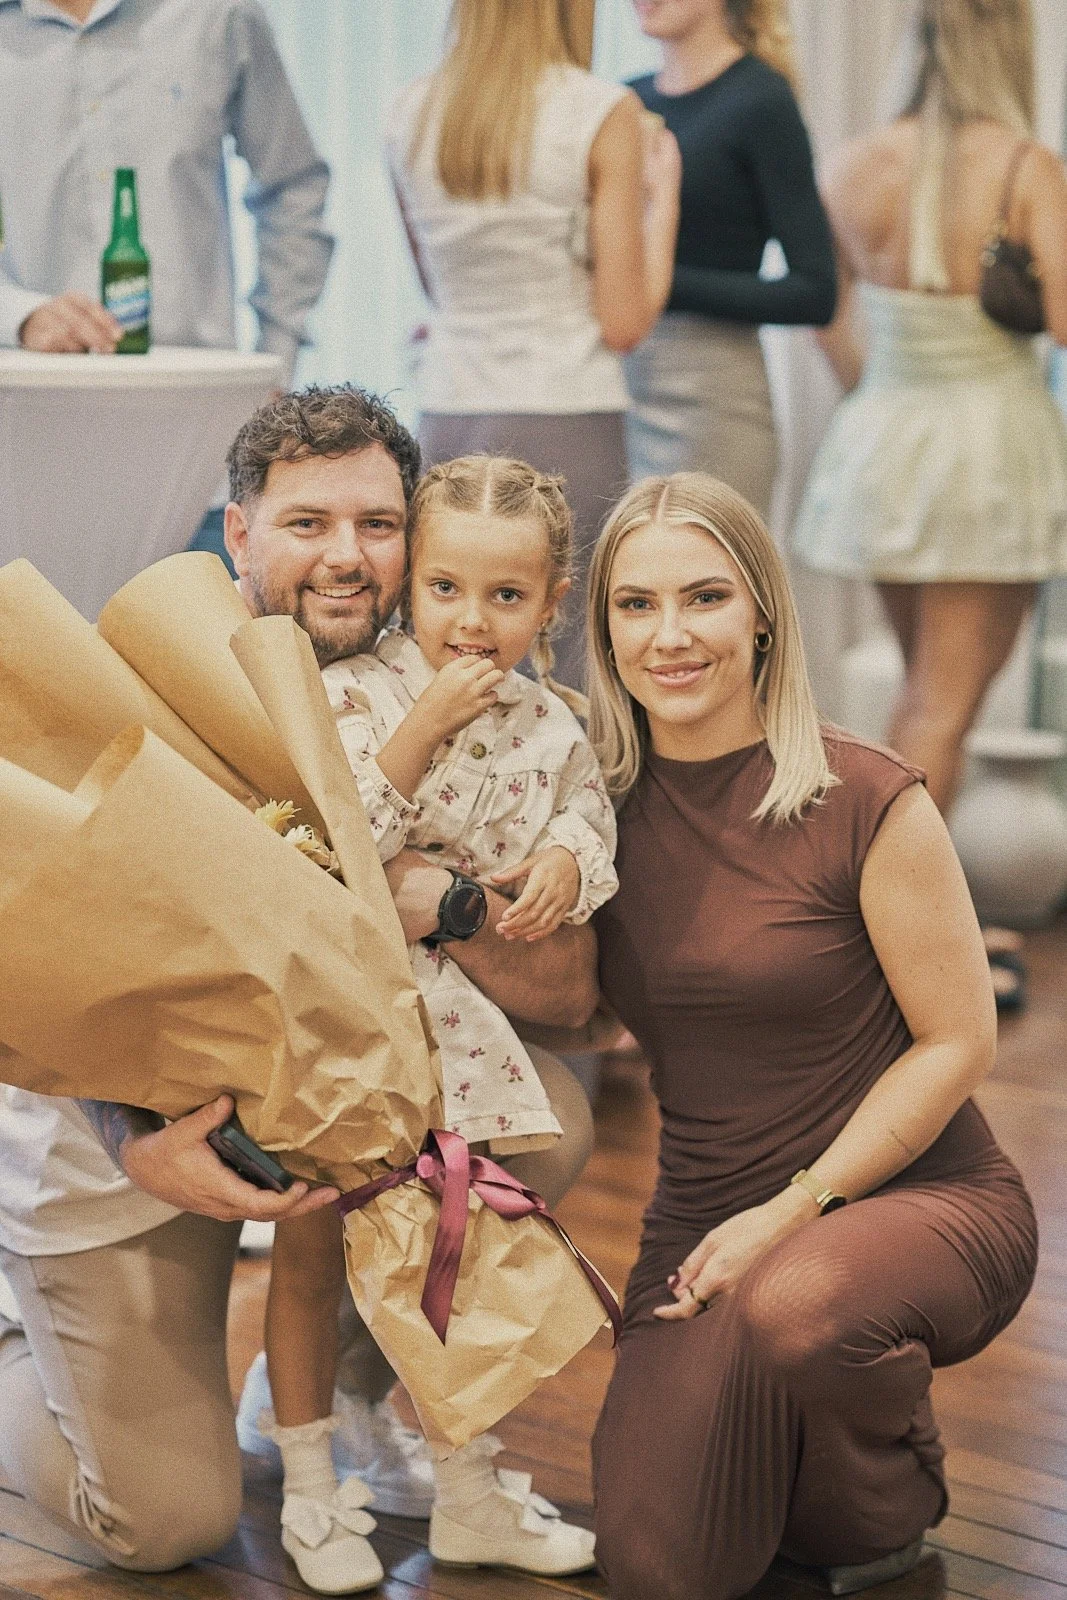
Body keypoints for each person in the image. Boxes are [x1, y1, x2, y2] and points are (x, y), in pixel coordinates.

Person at [0, 388, 599, 1576]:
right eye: (306, 522)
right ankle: (19, 1342)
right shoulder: (152, 675)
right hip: (135, 1152)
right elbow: (44, 956)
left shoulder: (441, 690)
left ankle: (324, 1387)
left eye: (378, 526)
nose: (346, 557)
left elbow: (575, 995)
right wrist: (132, 1139)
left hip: (321, 1125)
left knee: (546, 1129)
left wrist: (459, 901)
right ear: (236, 532)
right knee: (162, 1522)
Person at [581, 473, 1037, 1600]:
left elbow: (956, 1041)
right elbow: (575, 1009)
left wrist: (788, 1213)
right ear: (603, 631)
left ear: (761, 615)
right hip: (700, 1211)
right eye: (634, 606)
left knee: (797, 1312)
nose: (670, 635)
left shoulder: (862, 797)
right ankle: (798, 1434)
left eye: (704, 598)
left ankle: (890, 1487)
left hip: (916, 1197)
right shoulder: (591, 813)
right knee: (651, 1568)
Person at [253, 454, 618, 1591]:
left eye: (506, 598)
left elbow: (587, 813)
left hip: (462, 1045)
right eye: (448, 589)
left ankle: (467, 1489)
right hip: (346, 1026)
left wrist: (566, 860)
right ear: (414, 583)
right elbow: (335, 832)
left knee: (459, 1255)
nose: (472, 621)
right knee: (314, 1244)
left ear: (551, 602)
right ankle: (310, 1487)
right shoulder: (356, 691)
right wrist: (420, 728)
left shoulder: (550, 723)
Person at [793, 0, 1067, 1008]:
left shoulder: (851, 163)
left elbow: (824, 317)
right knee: (940, 709)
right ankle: (872, 941)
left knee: (918, 698)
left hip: (883, 440)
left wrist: (887, 388)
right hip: (985, 450)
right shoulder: (1021, 166)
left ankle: (914, 918)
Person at [385, 0, 681, 689]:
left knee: (451, 651)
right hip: (563, 408)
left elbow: (437, 285)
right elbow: (624, 323)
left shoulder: (410, 112)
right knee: (572, 659)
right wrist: (661, 203)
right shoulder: (600, 111)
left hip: (446, 410)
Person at [0, 0, 334, 560]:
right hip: (26, 460)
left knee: (203, 648)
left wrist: (275, 360)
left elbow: (294, 187)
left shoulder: (218, 15)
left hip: (196, 462)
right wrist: (19, 315)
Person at [625, 0, 837, 517]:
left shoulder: (762, 100)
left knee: (714, 578)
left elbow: (816, 290)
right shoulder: (626, 101)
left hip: (715, 396)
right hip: (621, 384)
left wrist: (656, 284)